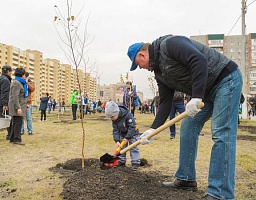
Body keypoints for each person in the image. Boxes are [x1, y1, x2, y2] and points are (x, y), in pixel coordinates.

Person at [127, 34, 242, 200]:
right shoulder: (159, 73)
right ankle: (186, 178)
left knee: (221, 132)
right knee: (188, 126)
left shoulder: (170, 44)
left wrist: (196, 97)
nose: (142, 67)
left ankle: (220, 194)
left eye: (139, 64)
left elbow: (199, 61)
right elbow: (165, 102)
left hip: (225, 79)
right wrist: (152, 129)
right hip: (207, 91)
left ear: (142, 55)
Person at [105, 101, 140, 171]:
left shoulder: (128, 115)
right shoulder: (114, 120)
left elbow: (132, 127)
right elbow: (115, 130)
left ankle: (135, 162)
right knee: (122, 148)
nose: (111, 119)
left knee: (133, 147)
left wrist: (127, 137)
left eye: (112, 116)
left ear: (117, 112)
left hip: (133, 133)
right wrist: (117, 140)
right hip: (123, 133)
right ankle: (121, 161)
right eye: (110, 117)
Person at [8, 68, 28, 145]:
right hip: (16, 106)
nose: (25, 77)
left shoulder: (20, 83)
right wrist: (18, 107)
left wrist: (25, 104)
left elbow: (21, 96)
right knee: (18, 122)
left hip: (20, 105)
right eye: (24, 75)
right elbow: (15, 96)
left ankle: (12, 138)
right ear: (22, 75)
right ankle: (17, 139)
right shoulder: (16, 83)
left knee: (15, 122)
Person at [0, 65, 12, 140]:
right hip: (2, 103)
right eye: (11, 71)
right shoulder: (6, 80)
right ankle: (9, 135)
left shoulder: (1, 78)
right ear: (8, 71)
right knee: (8, 119)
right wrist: (5, 103)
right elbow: (5, 92)